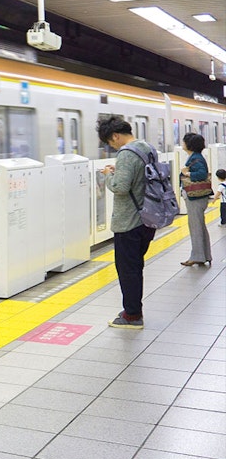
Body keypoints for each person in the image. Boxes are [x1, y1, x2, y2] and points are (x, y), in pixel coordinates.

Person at [98, 115, 157, 330]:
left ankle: (132, 315)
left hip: (129, 222)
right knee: (135, 266)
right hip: (148, 217)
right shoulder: (147, 147)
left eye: (110, 142)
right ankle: (132, 310)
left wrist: (107, 175)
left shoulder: (126, 153)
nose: (112, 147)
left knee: (128, 269)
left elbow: (121, 187)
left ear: (115, 136)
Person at [179, 133, 212, 267]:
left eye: (184, 142)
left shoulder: (196, 158)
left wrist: (187, 173)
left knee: (196, 227)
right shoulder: (196, 157)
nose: (182, 144)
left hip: (195, 198)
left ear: (190, 144)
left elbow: (201, 174)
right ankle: (204, 255)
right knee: (199, 226)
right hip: (198, 198)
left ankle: (197, 256)